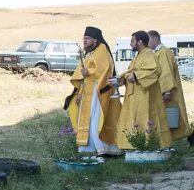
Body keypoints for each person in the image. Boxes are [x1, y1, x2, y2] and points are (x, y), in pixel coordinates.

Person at [67, 26, 121, 157]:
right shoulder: (89, 53)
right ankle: (88, 149)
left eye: (87, 38)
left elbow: (104, 70)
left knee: (96, 120)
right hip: (87, 93)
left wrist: (89, 72)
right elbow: (82, 72)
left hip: (98, 92)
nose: (84, 41)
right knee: (88, 121)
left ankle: (102, 148)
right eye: (84, 38)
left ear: (95, 40)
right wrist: (79, 92)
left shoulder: (101, 49)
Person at [116, 31, 172, 150]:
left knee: (146, 119)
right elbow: (130, 71)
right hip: (136, 96)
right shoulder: (139, 55)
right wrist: (122, 78)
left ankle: (149, 145)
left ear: (140, 42)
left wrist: (136, 76)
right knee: (136, 120)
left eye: (132, 41)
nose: (130, 44)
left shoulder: (149, 55)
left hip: (146, 96)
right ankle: (136, 144)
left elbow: (154, 71)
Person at [149, 30, 193, 145]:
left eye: (148, 40)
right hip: (163, 90)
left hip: (168, 92)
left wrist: (166, 91)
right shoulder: (158, 52)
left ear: (154, 39)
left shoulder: (164, 52)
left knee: (170, 117)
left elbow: (166, 73)